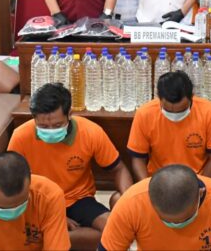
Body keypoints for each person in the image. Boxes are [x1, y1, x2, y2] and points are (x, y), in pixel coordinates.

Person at [8, 83, 133, 250]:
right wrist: (57, 217)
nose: (50, 131)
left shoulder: (90, 131)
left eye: (57, 125)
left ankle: (54, 239)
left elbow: (118, 169)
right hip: (38, 202)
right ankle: (60, 239)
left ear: (70, 114)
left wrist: (128, 200)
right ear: (34, 118)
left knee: (114, 230)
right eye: (43, 126)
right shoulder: (20, 136)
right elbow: (12, 183)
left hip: (79, 199)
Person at [99, 164, 211, 250]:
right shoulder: (132, 202)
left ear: (200, 193)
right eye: (166, 221)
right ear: (150, 199)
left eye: (184, 219)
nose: (176, 225)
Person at [127, 71, 211, 181]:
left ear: (192, 97)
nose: (174, 115)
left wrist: (199, 184)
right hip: (158, 180)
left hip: (197, 179)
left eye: (181, 110)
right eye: (168, 111)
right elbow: (137, 159)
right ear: (159, 98)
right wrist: (148, 186)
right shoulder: (144, 113)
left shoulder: (209, 111)